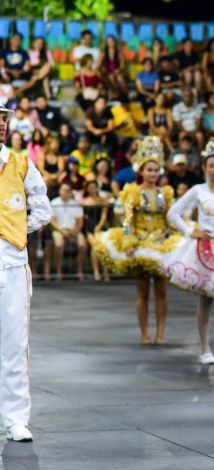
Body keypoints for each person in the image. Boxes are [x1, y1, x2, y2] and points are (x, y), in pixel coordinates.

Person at [93, 136, 183, 345]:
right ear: (141, 171)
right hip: (141, 243)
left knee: (162, 289)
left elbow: (169, 218)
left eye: (155, 169)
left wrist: (177, 235)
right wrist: (129, 242)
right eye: (148, 169)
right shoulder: (133, 192)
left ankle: (161, 333)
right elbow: (127, 220)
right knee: (142, 290)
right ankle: (145, 333)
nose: (152, 173)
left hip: (161, 243)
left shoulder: (165, 193)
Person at [162, 142, 214, 365]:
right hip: (206, 248)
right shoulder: (198, 190)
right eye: (211, 165)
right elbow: (173, 213)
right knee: (206, 299)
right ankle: (205, 349)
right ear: (205, 169)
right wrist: (190, 230)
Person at [0, 101, 51, 442]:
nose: (1, 123)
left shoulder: (19, 162)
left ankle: (16, 418)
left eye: (3, 118)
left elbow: (43, 208)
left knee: (14, 343)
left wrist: (18, 230)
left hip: (11, 261)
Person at [49, 182, 88, 280]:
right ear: (59, 191)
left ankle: (80, 271)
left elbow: (80, 221)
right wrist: (62, 231)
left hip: (73, 230)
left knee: (83, 245)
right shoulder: (54, 203)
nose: (65, 192)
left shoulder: (75, 204)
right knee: (59, 245)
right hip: (59, 229)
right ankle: (58, 272)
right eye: (63, 190)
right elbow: (52, 221)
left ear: (71, 192)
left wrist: (75, 231)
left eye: (67, 190)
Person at [80, 180, 109, 282]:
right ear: (87, 189)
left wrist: (100, 225)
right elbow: (82, 217)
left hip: (100, 226)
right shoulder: (83, 201)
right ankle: (96, 271)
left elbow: (104, 215)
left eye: (94, 187)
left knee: (104, 247)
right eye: (90, 187)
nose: (92, 189)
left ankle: (105, 272)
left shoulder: (103, 200)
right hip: (89, 226)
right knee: (95, 247)